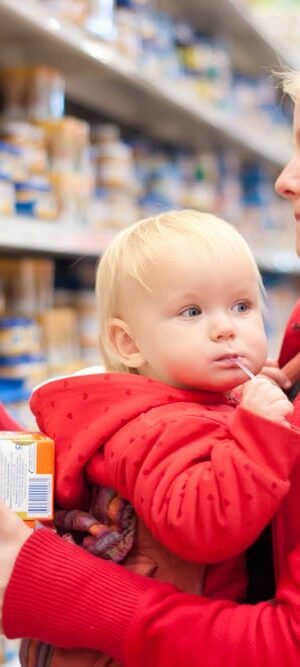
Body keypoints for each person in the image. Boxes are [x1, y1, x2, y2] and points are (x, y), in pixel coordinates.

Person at [2, 69, 300, 667]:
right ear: (128, 344)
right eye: (192, 311)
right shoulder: (159, 423)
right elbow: (205, 522)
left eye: (243, 306)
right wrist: (264, 429)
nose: (284, 179)